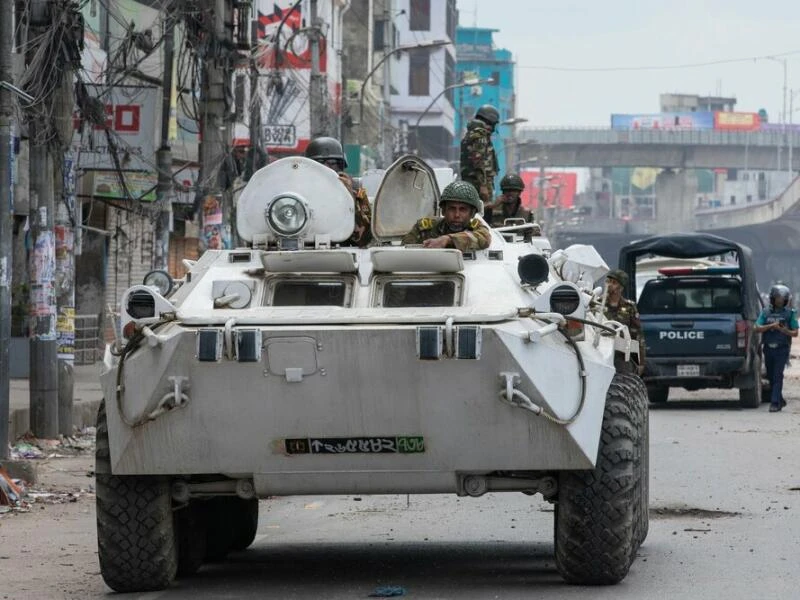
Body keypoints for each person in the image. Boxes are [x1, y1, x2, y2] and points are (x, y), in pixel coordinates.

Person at [305, 136, 372, 247]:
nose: (326, 167)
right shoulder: (300, 189)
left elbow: (365, 238)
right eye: (319, 163)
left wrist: (351, 197)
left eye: (332, 162)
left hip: (343, 249)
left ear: (341, 165)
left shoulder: (357, 188)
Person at [402, 181, 491, 251]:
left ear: (472, 213)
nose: (457, 215)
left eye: (462, 209)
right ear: (444, 211)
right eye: (452, 209)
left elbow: (484, 238)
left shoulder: (476, 228)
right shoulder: (425, 228)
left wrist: (448, 239)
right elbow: (404, 251)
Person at [754, 284, 798, 412]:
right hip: (768, 348)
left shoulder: (790, 313)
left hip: (782, 349)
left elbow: (795, 333)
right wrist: (771, 325)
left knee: (778, 376)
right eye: (778, 297)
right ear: (773, 298)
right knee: (771, 376)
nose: (781, 300)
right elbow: (756, 328)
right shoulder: (766, 312)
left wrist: (783, 330)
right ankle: (780, 399)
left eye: (783, 298)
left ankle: (774, 403)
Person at [604, 269, 645, 374]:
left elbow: (638, 335)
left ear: (620, 288)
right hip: (602, 353)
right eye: (608, 281)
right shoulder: (597, 304)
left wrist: (641, 362)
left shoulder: (629, 307)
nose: (609, 285)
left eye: (613, 283)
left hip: (622, 355)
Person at [460, 104, 499, 204]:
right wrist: (483, 185)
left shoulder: (473, 133)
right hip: (477, 184)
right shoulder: (479, 134)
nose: (493, 129)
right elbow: (478, 159)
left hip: (474, 183)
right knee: (481, 213)